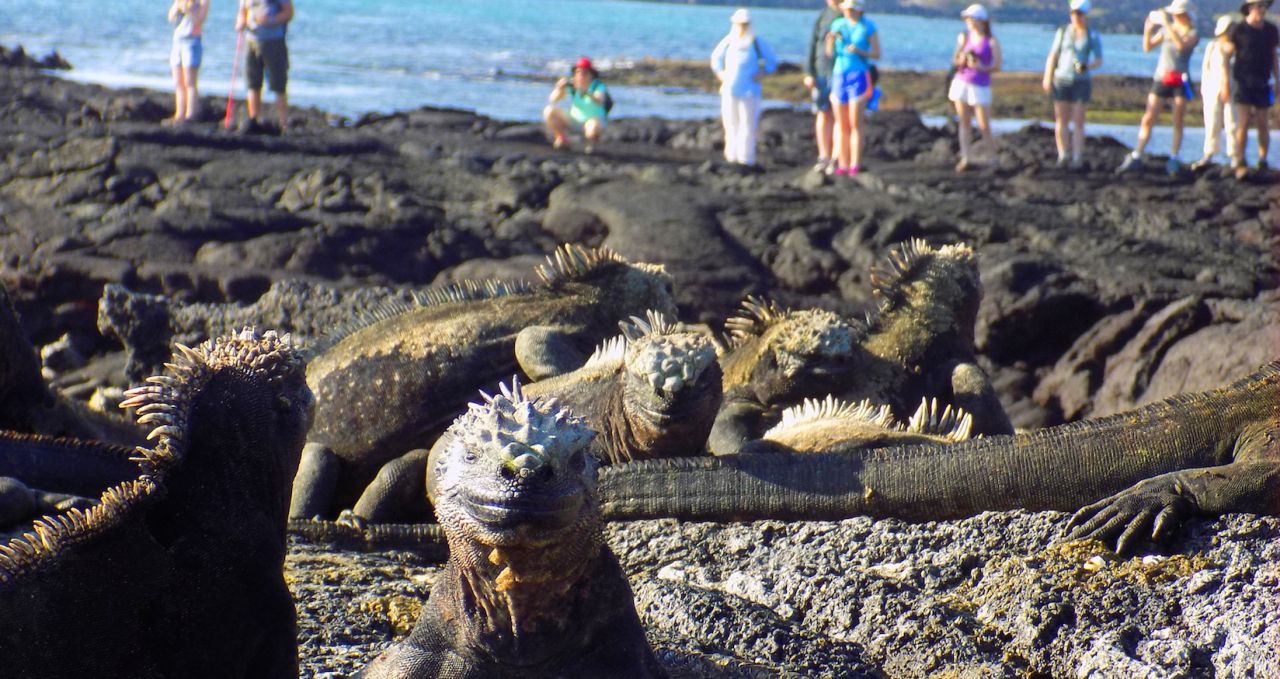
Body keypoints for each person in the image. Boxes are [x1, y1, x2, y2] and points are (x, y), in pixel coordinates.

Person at [1117, 0, 1199, 176]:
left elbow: (1181, 46)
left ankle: (1174, 157)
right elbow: (1147, 47)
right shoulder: (1166, 29)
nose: (1174, 17)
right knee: (1149, 117)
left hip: (1180, 79)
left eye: (1177, 15)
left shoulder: (1192, 33)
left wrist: (1167, 24)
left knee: (1178, 119)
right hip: (1162, 77)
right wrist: (1148, 29)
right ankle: (1137, 153)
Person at [711, 9, 779, 166]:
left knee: (748, 126)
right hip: (729, 90)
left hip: (750, 91)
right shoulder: (728, 41)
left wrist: (763, 72)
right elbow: (716, 59)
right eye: (739, 24)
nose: (742, 27)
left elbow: (772, 61)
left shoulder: (756, 42)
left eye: (745, 24)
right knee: (730, 124)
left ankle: (746, 159)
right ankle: (731, 157)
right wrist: (721, 74)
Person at [1220, 0, 1279, 180]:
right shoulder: (1239, 29)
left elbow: (1273, 55)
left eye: (1264, 6)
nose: (1262, 10)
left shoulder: (1270, 30)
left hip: (1262, 80)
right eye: (1259, 6)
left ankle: (1262, 159)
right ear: (1250, 8)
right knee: (1243, 123)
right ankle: (1240, 159)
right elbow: (1226, 57)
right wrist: (1225, 82)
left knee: (1263, 122)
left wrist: (1277, 79)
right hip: (1242, 80)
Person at [1042, 0, 1103, 169]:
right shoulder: (1063, 32)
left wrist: (1087, 66)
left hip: (1081, 82)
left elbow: (1099, 59)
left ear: (1085, 15)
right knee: (1061, 119)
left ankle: (1077, 156)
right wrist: (1047, 77)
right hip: (1061, 79)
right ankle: (1063, 154)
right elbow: (1053, 55)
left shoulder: (1092, 35)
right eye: (1074, 13)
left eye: (1080, 14)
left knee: (1078, 120)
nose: (1076, 17)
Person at [825, 0, 880, 176]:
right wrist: (830, 42)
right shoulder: (838, 24)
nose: (848, 12)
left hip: (859, 75)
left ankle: (855, 164)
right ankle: (842, 163)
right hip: (839, 74)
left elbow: (877, 54)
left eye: (851, 9)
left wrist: (859, 51)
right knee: (841, 124)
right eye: (846, 9)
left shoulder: (868, 26)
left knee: (855, 122)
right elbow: (829, 54)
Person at [948, 4, 1002, 172]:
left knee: (983, 124)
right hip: (962, 82)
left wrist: (981, 66)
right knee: (963, 121)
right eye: (967, 18)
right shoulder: (964, 37)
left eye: (971, 18)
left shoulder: (991, 41)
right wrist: (962, 60)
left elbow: (997, 66)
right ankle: (966, 157)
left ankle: (993, 157)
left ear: (980, 21)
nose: (968, 21)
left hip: (980, 85)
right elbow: (954, 60)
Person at [235, 0, 293, 133]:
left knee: (278, 83)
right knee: (252, 83)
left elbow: (288, 12)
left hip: (273, 41)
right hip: (251, 40)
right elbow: (242, 11)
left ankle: (284, 123)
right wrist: (240, 22)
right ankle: (254, 120)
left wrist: (270, 20)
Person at [1191, 16, 1239, 170]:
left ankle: (1235, 155)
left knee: (1233, 123)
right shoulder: (1213, 46)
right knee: (1212, 122)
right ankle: (1209, 153)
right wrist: (1204, 89)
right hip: (1212, 88)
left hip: (1233, 89)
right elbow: (1206, 69)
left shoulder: (1238, 48)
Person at [804, 0, 843, 173]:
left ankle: (836, 157)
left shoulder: (847, 14)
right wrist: (809, 72)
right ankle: (823, 155)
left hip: (840, 72)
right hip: (820, 72)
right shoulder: (822, 16)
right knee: (822, 113)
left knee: (838, 116)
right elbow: (812, 44)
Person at [544, 57, 611, 152]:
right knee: (549, 111)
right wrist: (559, 88)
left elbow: (599, 100)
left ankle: (591, 144)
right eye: (578, 72)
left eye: (585, 73)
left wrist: (587, 92)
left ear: (591, 74)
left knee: (593, 128)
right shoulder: (573, 86)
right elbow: (553, 99)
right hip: (574, 120)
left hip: (593, 120)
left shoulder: (597, 86)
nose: (581, 75)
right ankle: (562, 139)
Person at [167, 0, 209, 125]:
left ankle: (190, 115)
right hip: (177, 41)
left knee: (190, 81)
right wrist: (178, 7)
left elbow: (199, 21)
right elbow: (171, 17)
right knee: (178, 81)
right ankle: (179, 114)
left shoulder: (203, 2)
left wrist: (189, 10)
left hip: (192, 42)